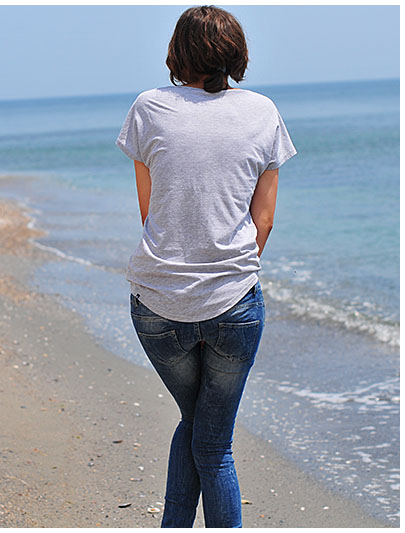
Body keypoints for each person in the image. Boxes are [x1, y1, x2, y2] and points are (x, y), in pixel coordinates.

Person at [115, 5, 297, 528]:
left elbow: (150, 213)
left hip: (157, 303)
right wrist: (229, 274)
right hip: (234, 306)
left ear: (176, 54)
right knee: (213, 444)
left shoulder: (149, 107)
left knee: (195, 424)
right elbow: (264, 220)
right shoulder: (262, 111)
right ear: (237, 54)